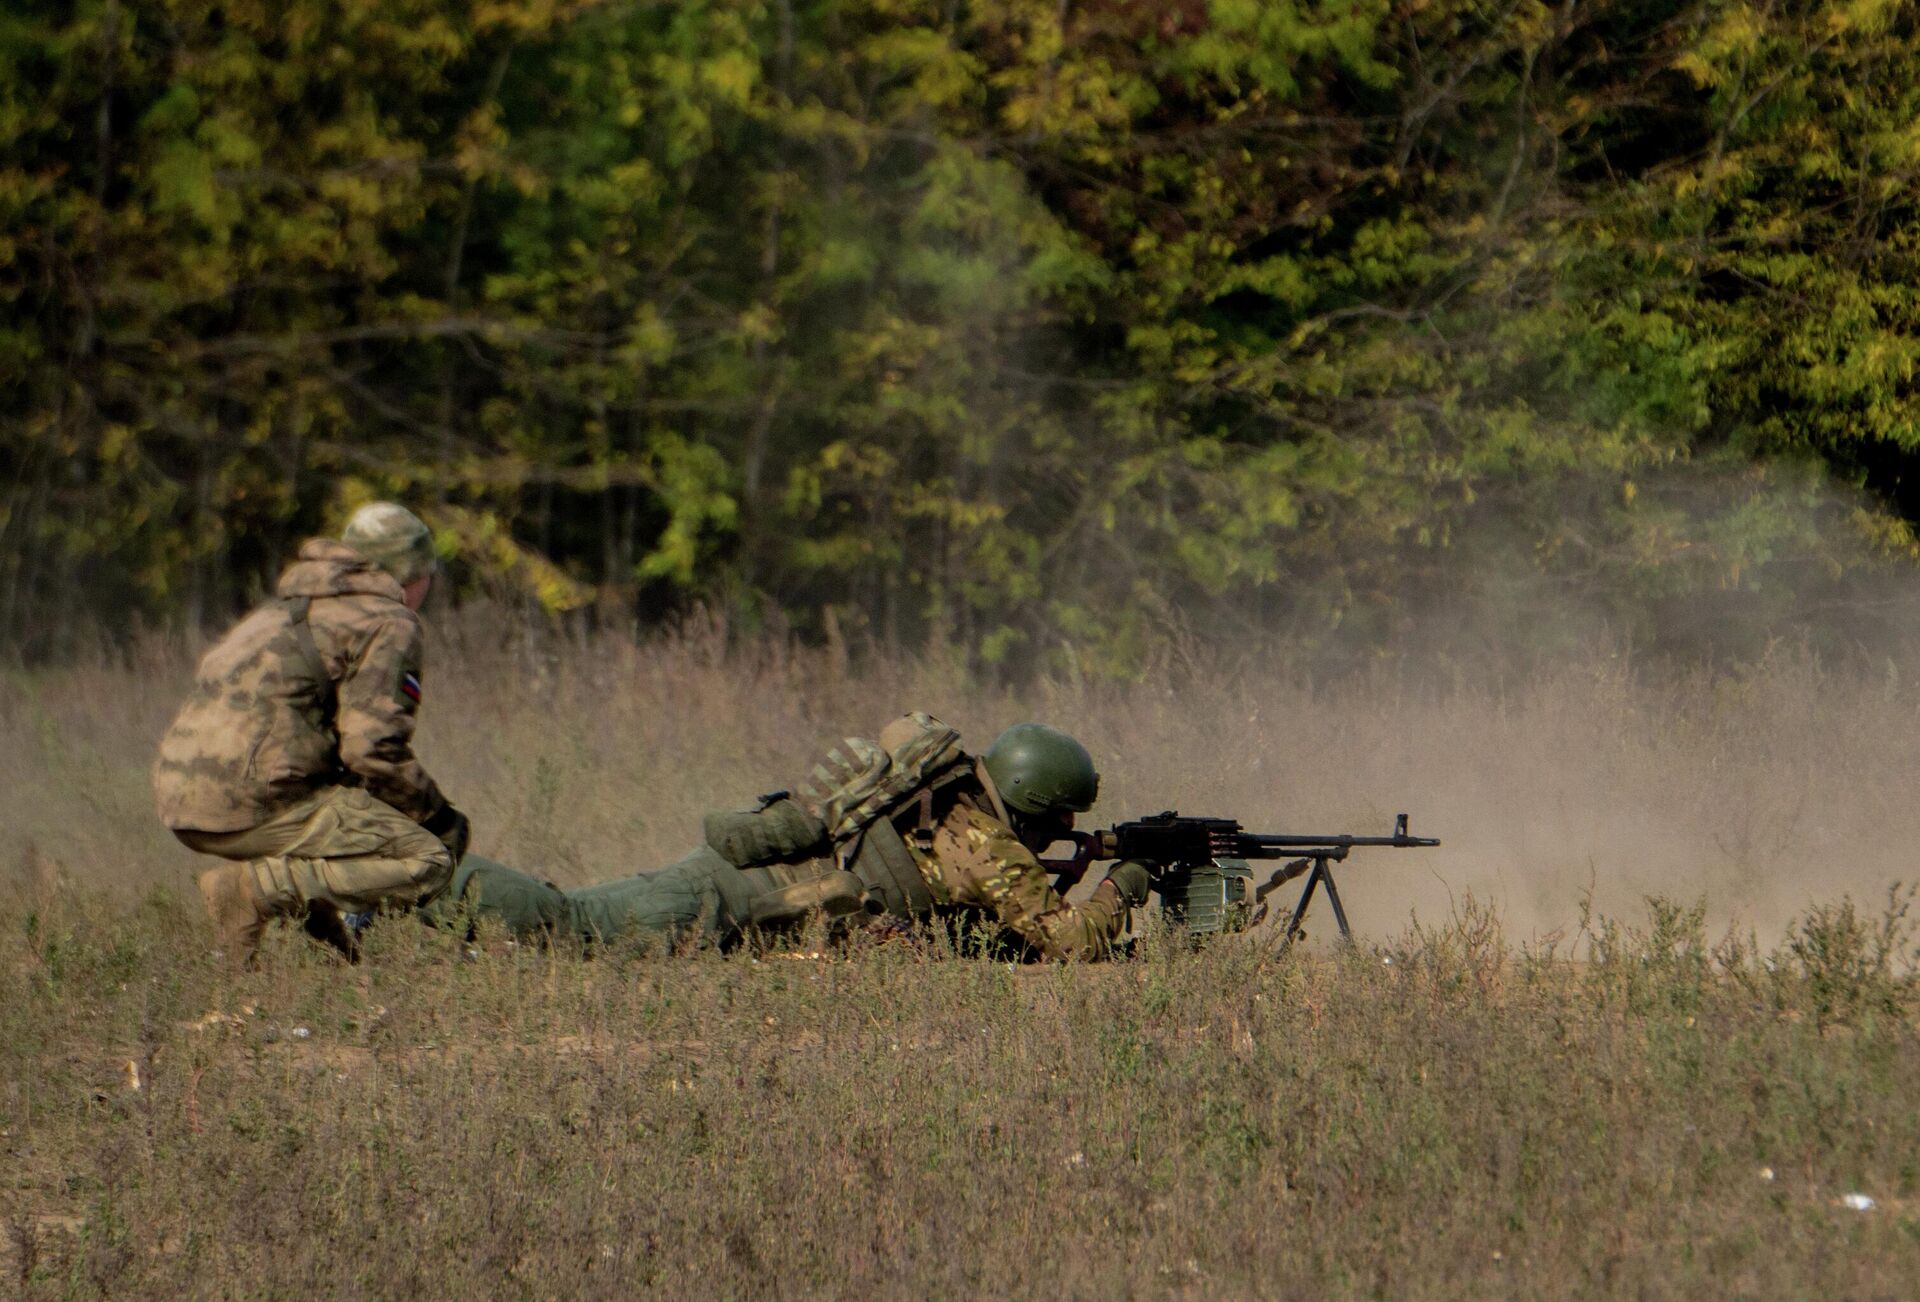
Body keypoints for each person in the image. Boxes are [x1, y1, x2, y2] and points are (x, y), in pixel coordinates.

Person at [425, 716, 1151, 961]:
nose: (1065, 831)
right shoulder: (984, 839)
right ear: (1033, 800)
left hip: (741, 887)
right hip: (732, 895)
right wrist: (1130, 881)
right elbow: (1067, 942)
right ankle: (418, 879)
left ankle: (416, 898)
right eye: (1062, 820)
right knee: (570, 924)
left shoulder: (952, 798)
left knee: (578, 924)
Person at [153, 502, 469, 966]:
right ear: (413, 573)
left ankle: (332, 961)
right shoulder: (388, 620)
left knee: (340, 826)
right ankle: (250, 892)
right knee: (427, 860)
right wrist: (437, 818)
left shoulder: (279, 612)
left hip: (183, 800)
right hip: (258, 801)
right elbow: (372, 749)